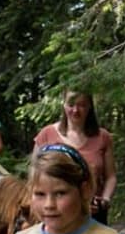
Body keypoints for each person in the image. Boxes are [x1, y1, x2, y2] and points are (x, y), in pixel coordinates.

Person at [31, 88, 116, 224]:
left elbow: (111, 176)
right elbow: (33, 176)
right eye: (71, 105)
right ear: (64, 105)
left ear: (90, 107)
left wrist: (104, 201)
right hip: (55, 214)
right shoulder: (47, 134)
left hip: (93, 214)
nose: (75, 110)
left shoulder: (103, 137)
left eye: (81, 105)